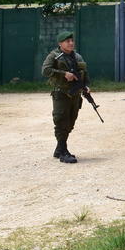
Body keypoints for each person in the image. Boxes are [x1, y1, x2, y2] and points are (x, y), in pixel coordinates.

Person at [41, 31, 90, 164]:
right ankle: (63, 152)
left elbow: (84, 73)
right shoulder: (54, 56)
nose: (71, 43)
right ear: (60, 43)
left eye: (71, 40)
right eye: (67, 41)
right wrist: (64, 74)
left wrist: (86, 86)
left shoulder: (77, 56)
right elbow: (45, 70)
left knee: (70, 122)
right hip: (61, 93)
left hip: (75, 94)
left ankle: (59, 149)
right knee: (61, 121)